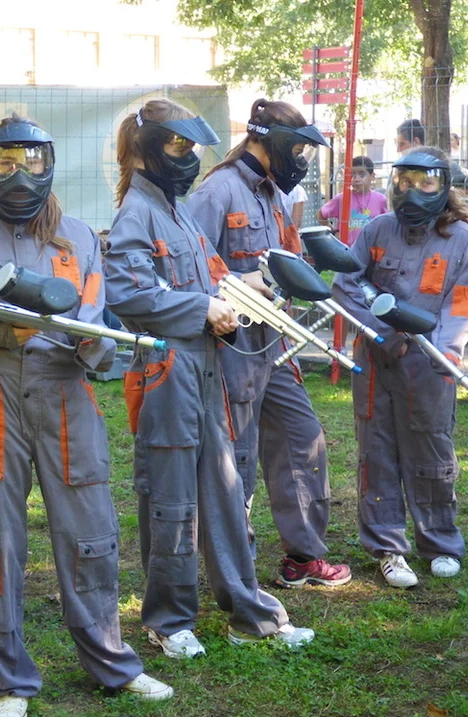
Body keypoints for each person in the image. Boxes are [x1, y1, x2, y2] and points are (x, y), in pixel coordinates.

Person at [0, 114, 173, 717]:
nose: (18, 174)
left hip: (66, 392)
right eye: (4, 161)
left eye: (30, 160)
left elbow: (96, 318)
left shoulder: (79, 238)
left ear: (49, 164)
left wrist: (90, 341)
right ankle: (12, 681)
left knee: (90, 532)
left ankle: (111, 663)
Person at [105, 97, 314, 659]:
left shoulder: (175, 211)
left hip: (205, 370)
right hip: (165, 372)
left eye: (192, 146)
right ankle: (168, 621)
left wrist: (248, 287)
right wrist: (201, 309)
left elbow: (212, 274)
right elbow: (126, 292)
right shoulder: (137, 213)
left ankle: (249, 613)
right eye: (178, 145)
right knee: (170, 498)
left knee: (223, 492)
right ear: (147, 149)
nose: (189, 156)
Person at [186, 99, 353, 590]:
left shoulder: (274, 195)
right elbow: (186, 270)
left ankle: (303, 557)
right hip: (231, 346)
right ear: (270, 142)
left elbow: (285, 259)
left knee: (303, 438)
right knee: (234, 457)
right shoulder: (217, 191)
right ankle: (237, 573)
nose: (301, 160)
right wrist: (239, 283)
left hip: (273, 345)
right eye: (298, 149)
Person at [331, 148, 468, 588]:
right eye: (405, 182)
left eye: (425, 183)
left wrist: (448, 351)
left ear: (443, 186)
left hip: (430, 361)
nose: (413, 192)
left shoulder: (460, 238)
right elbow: (346, 283)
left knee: (431, 449)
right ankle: (388, 549)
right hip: (376, 357)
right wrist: (382, 332)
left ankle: (439, 543)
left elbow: (463, 300)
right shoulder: (377, 229)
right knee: (376, 450)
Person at [317, 155, 388, 246]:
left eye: (362, 175)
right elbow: (320, 215)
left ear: (372, 176)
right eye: (352, 175)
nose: (356, 179)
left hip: (371, 250)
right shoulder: (341, 198)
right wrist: (334, 232)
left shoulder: (381, 200)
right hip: (347, 250)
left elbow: (389, 223)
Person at [397, 119, 468, 195]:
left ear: (416, 141)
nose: (398, 150)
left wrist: (446, 197)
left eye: (402, 144)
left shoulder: (437, 161)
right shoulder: (401, 167)